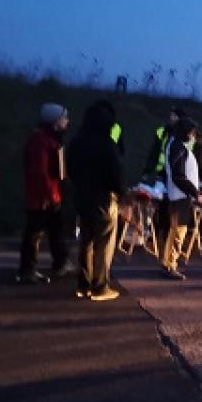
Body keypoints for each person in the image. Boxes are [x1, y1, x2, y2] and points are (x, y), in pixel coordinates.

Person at [67, 101, 127, 301]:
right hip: (103, 198)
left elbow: (70, 169)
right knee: (104, 242)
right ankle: (100, 286)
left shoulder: (76, 142)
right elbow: (115, 175)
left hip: (82, 196)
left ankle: (83, 285)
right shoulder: (107, 145)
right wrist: (121, 194)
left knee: (86, 241)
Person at [16, 103, 71, 284]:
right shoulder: (41, 142)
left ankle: (60, 262)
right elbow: (40, 173)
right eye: (64, 118)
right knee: (35, 233)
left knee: (55, 230)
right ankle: (27, 270)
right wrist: (50, 196)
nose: (67, 121)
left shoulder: (47, 140)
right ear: (55, 122)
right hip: (43, 198)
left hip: (49, 195)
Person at [161, 118, 202, 280]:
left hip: (179, 194)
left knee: (176, 231)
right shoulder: (178, 148)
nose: (193, 136)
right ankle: (171, 264)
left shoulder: (176, 146)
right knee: (178, 231)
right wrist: (195, 192)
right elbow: (179, 175)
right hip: (181, 195)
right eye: (192, 133)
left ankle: (168, 262)